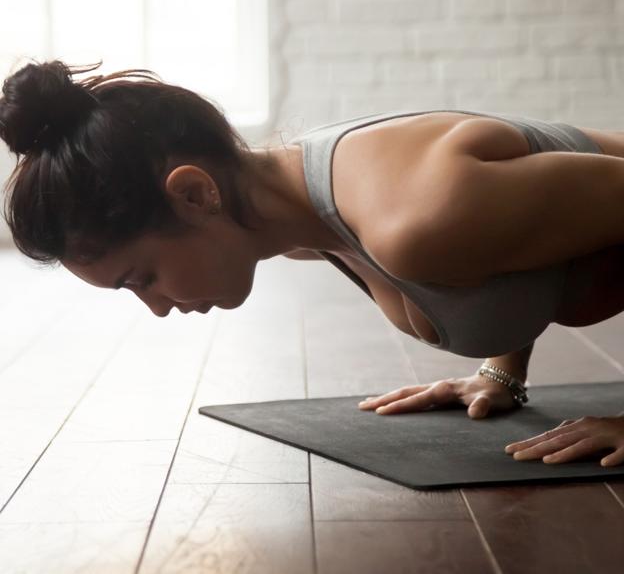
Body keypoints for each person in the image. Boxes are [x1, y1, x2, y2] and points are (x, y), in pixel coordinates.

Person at [1, 59, 623, 467]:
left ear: (194, 194)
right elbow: (519, 240)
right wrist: (503, 373)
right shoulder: (302, 218)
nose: (158, 308)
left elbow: (464, 227)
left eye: (142, 278)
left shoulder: (415, 218)